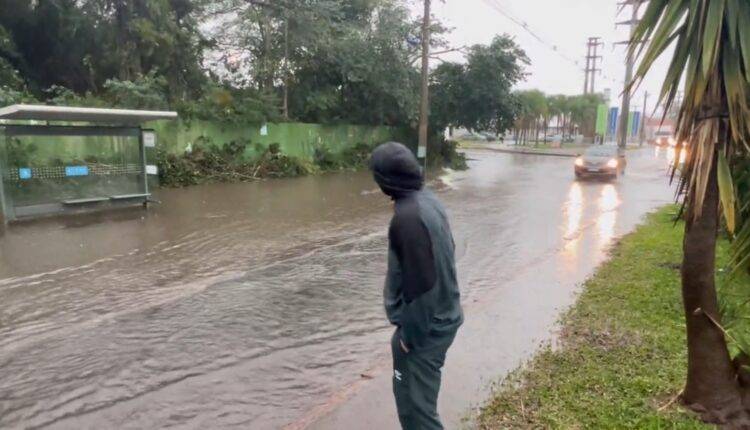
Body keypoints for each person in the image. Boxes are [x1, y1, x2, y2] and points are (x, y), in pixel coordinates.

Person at [370, 142, 464, 430]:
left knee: (417, 415)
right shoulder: (427, 201)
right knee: (419, 406)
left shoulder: (407, 219)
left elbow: (423, 289)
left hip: (425, 331)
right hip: (443, 318)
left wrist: (407, 339)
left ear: (384, 181)